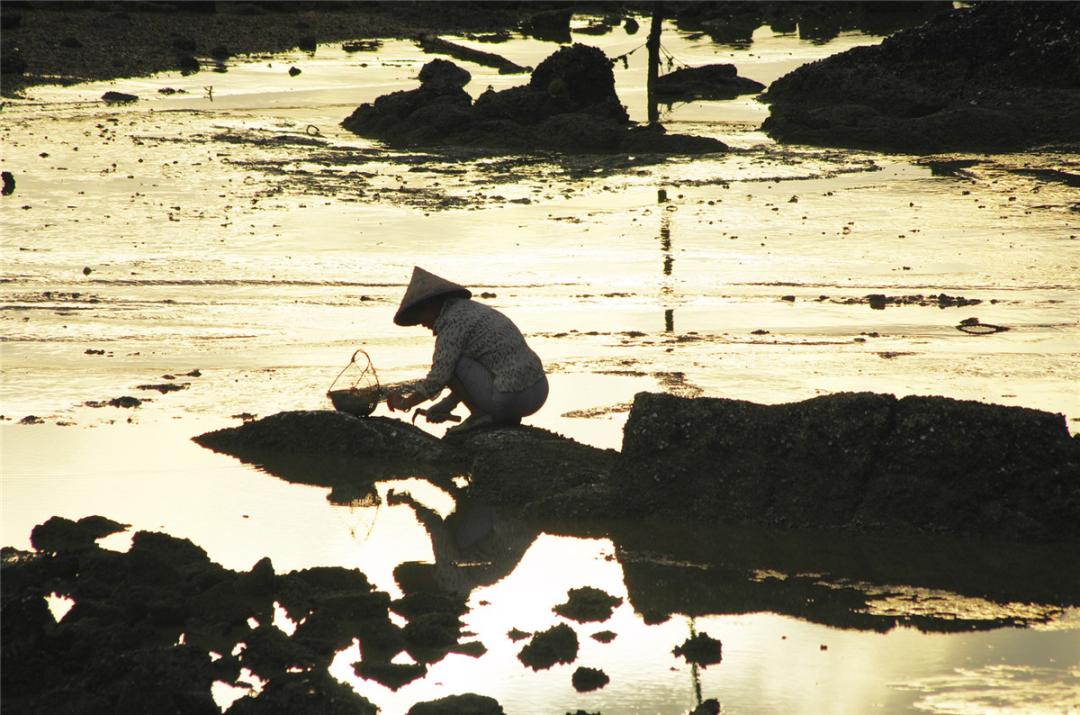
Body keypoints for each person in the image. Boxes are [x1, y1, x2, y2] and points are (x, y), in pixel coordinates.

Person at [386, 266, 548, 435]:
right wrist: (446, 405)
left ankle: (480, 414)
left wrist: (405, 403)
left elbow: (439, 377)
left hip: (512, 397)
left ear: (429, 306)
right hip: (539, 390)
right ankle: (502, 414)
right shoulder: (472, 310)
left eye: (420, 318)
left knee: (450, 363)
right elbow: (476, 372)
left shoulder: (451, 322)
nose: (423, 324)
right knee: (463, 358)